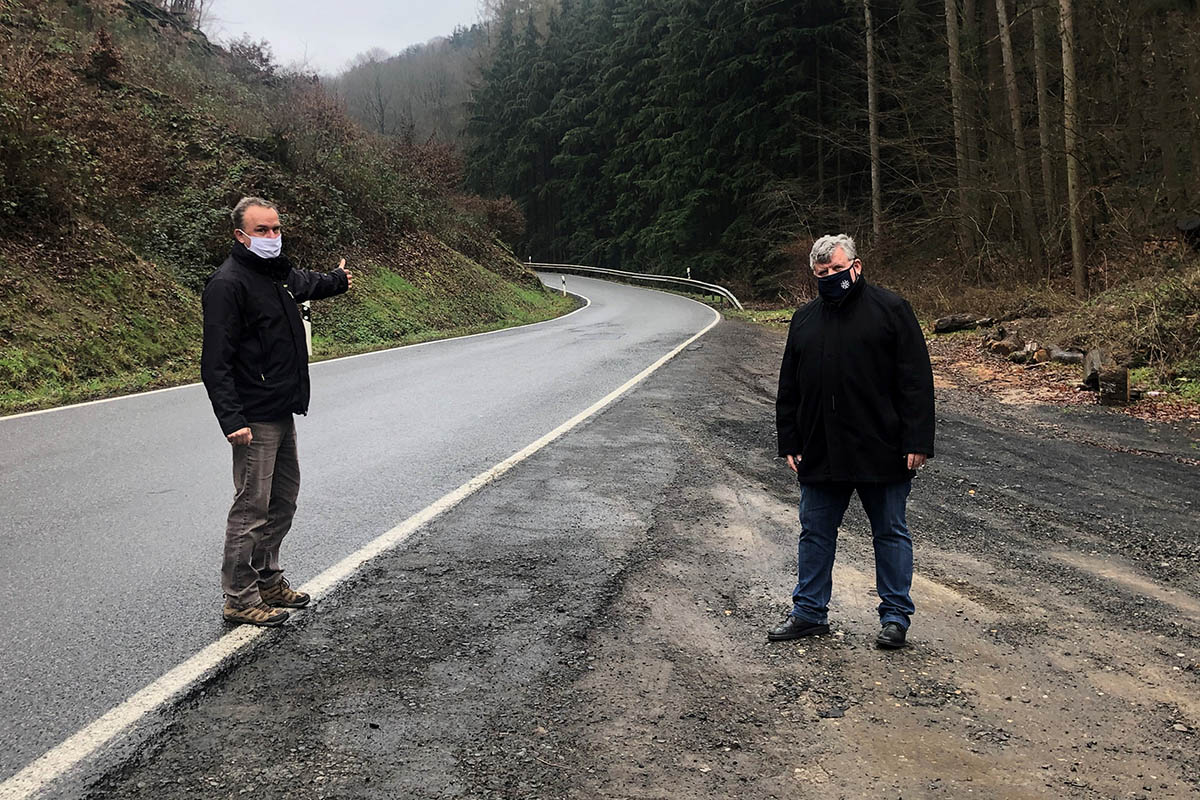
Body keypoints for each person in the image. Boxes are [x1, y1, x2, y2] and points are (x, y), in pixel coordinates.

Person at [771, 234, 934, 649]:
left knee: (891, 533)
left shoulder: (893, 310)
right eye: (822, 273)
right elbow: (789, 385)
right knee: (815, 533)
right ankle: (809, 613)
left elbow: (916, 381)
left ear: (856, 267)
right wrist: (789, 439)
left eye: (837, 270)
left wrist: (918, 439)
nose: (830, 278)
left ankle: (895, 618)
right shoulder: (804, 319)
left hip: (884, 446)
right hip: (820, 448)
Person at [201, 196, 353, 627]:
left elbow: (307, 282)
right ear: (240, 236)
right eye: (262, 230)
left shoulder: (276, 274)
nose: (272, 237)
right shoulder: (227, 285)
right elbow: (215, 362)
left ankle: (268, 579)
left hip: (281, 410)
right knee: (252, 508)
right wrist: (232, 420)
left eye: (276, 228)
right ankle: (240, 597)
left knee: (283, 501)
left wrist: (338, 279)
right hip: (253, 417)